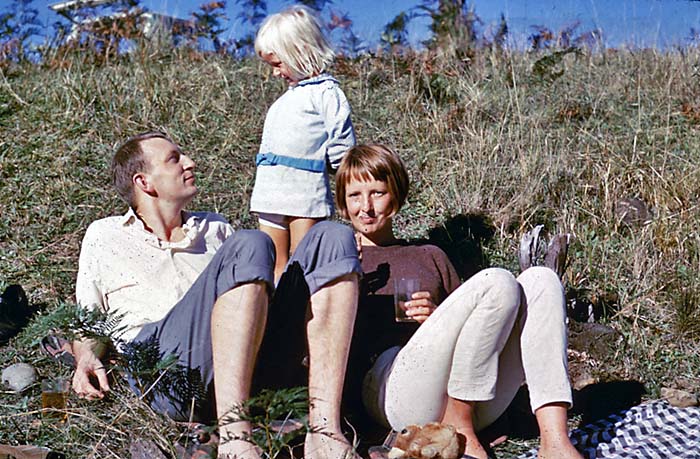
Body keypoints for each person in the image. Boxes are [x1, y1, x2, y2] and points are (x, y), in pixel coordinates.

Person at [71, 132, 362, 459]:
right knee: (252, 244)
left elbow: (252, 301)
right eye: (174, 158)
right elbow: (87, 320)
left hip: (242, 364)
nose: (190, 163)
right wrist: (85, 357)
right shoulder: (104, 236)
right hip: (163, 368)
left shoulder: (216, 228)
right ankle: (235, 439)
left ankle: (324, 431)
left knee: (333, 237)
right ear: (144, 182)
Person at [336, 144, 584, 459]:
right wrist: (346, 277)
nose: (366, 207)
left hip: (468, 395)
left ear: (396, 196)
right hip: (393, 394)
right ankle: (461, 431)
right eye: (355, 196)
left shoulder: (429, 255)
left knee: (541, 280)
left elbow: (483, 322)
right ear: (343, 205)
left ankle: (555, 441)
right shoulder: (339, 260)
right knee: (497, 281)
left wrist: (438, 315)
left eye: (377, 193)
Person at [250, 4, 356, 281]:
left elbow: (341, 143)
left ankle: (302, 317)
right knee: (272, 262)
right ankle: (274, 317)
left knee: (303, 261)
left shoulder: (327, 94)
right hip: (271, 190)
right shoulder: (287, 98)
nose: (275, 73)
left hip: (304, 190)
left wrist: (347, 182)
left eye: (277, 64)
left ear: (300, 52)